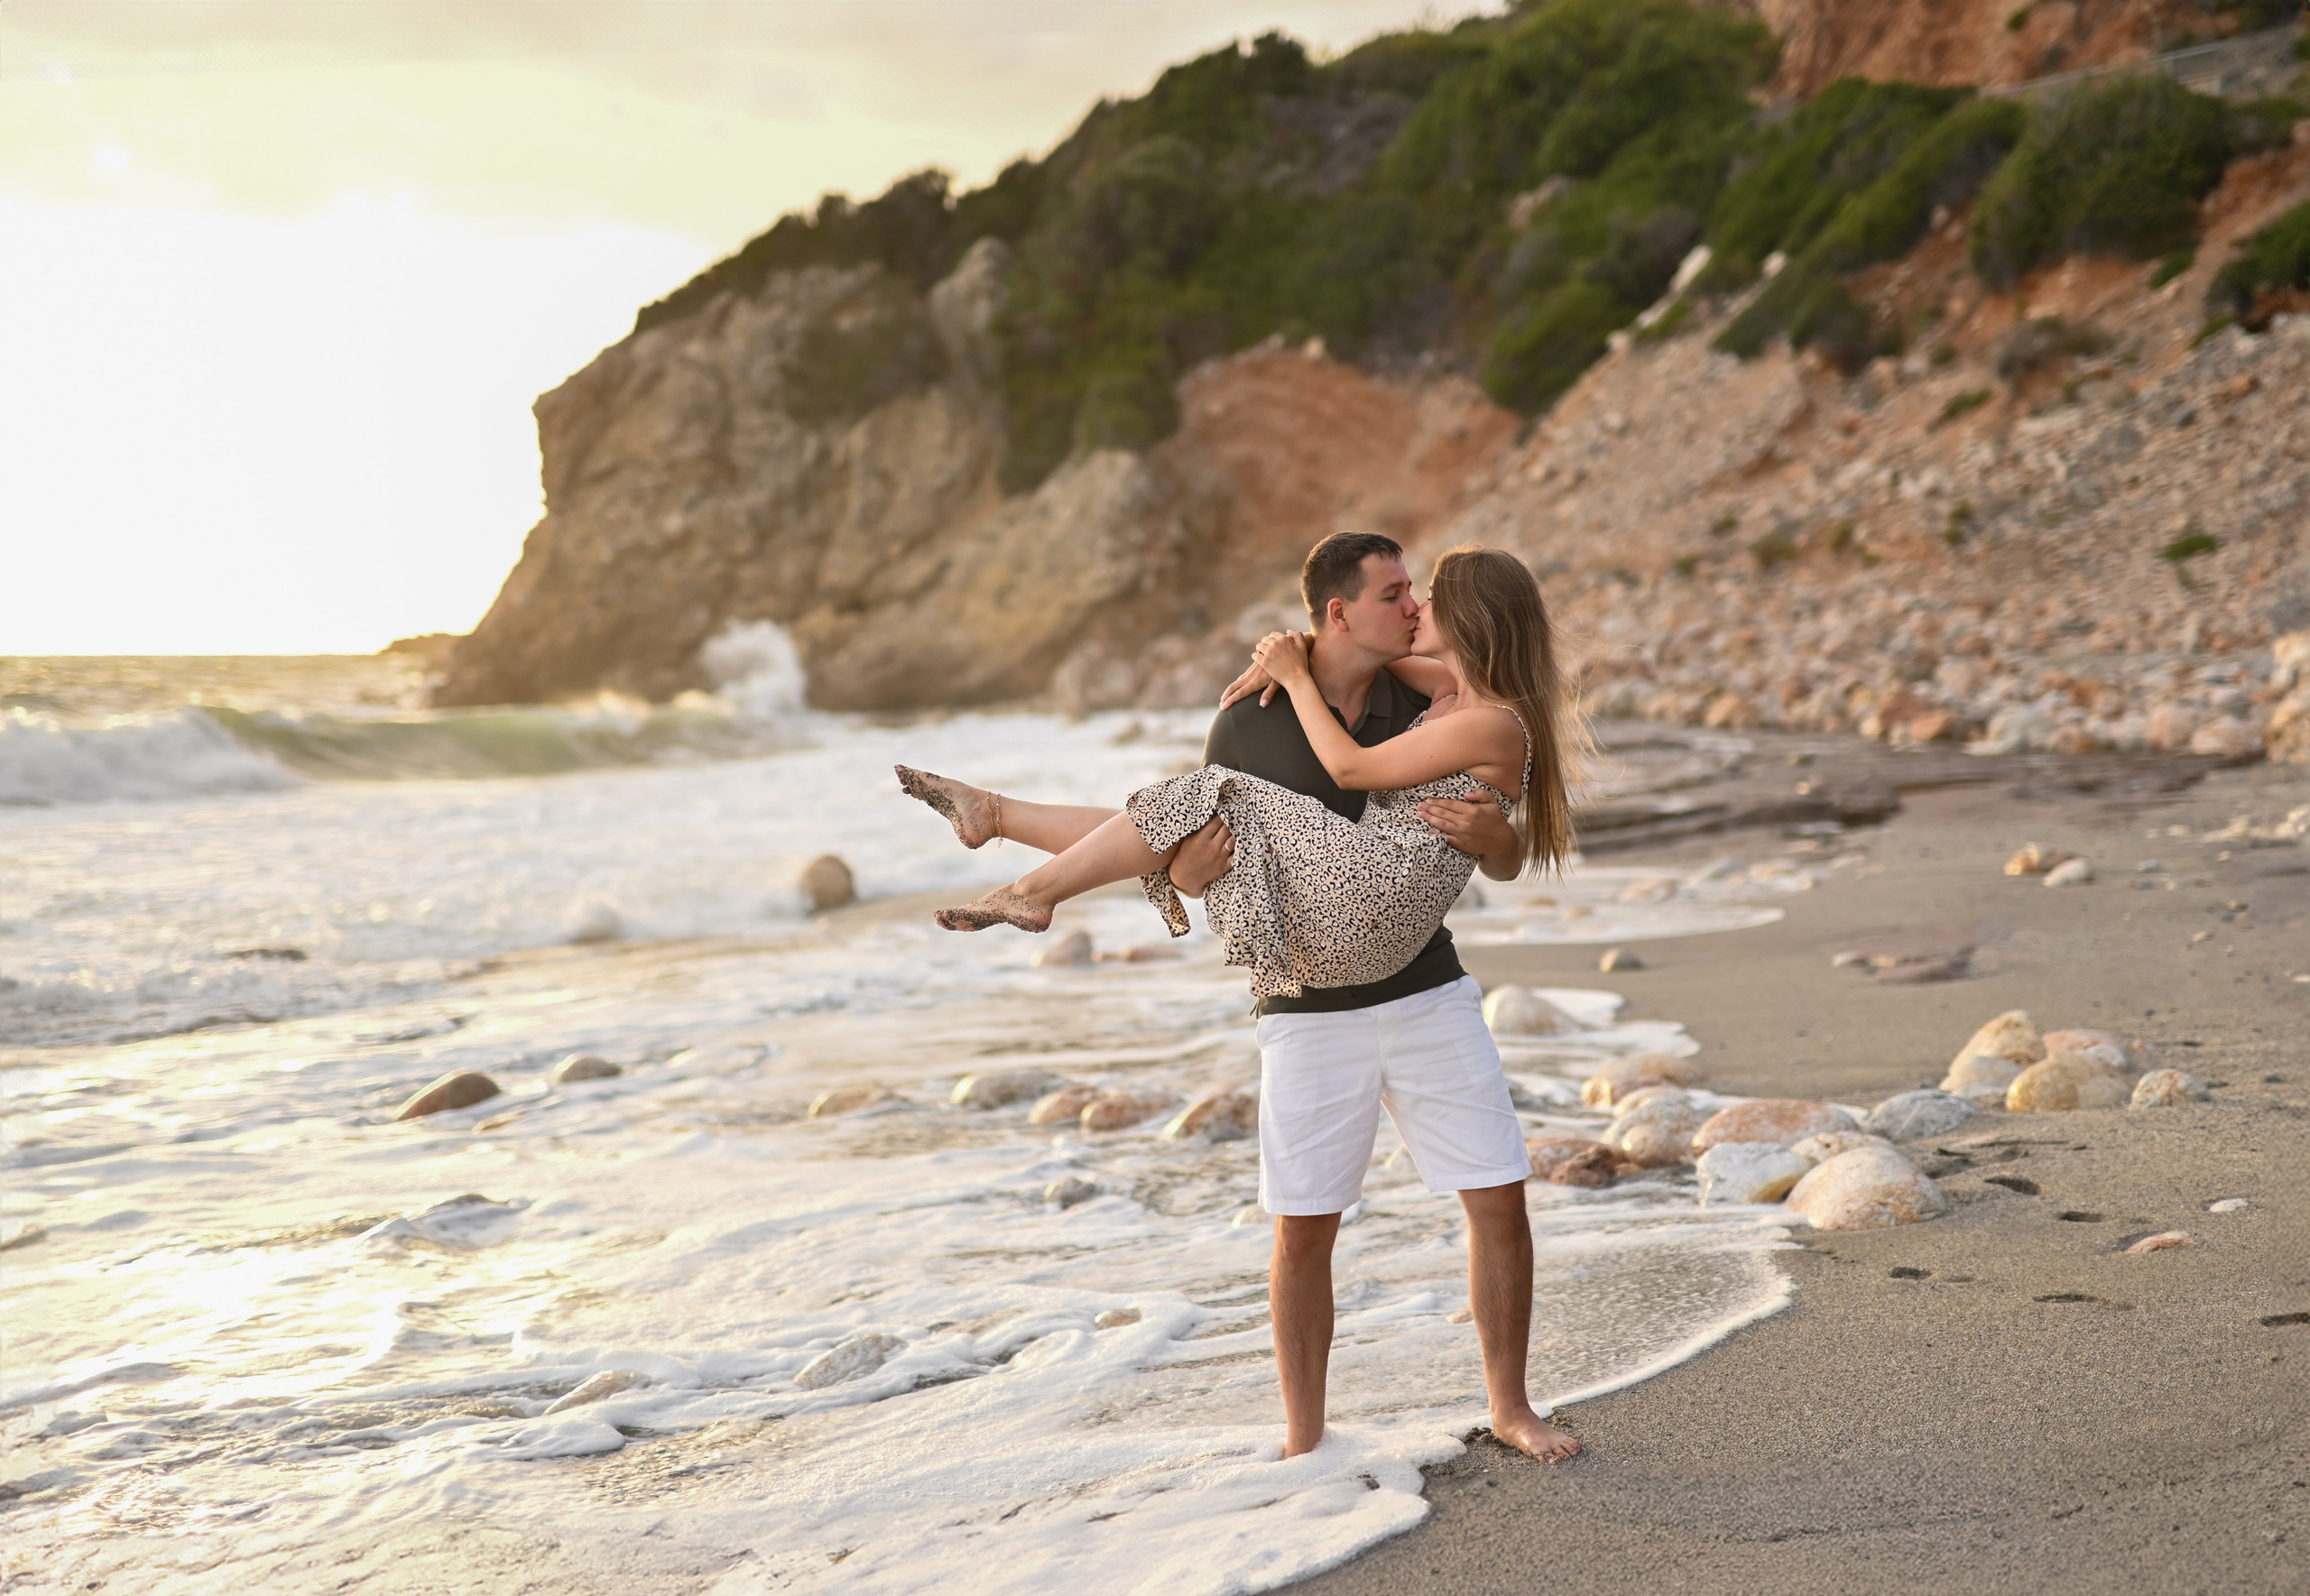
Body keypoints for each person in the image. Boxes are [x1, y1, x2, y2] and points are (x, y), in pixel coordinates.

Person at [895, 535, 1583, 1462]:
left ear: (1468, 622)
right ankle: (1305, 1435)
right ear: (1339, 615)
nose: (1412, 608)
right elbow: (1169, 842)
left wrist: (1491, 836)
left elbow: (1447, 820)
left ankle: (1511, 1404)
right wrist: (1191, 846)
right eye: (1395, 594)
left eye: (1422, 598)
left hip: (1417, 978)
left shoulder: (1441, 702)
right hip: (1309, 990)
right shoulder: (1272, 717)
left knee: (1498, 1196)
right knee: (1302, 1223)